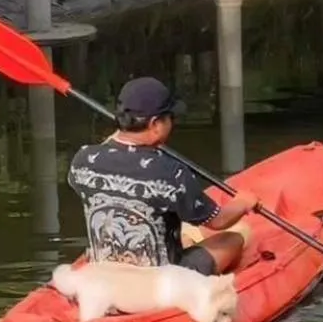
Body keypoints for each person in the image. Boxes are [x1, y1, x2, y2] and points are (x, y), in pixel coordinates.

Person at [67, 76, 258, 275]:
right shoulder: (171, 172)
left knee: (183, 232)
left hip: (108, 275)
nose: (172, 124)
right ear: (155, 123)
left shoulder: (82, 160)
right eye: (170, 118)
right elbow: (217, 221)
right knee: (234, 238)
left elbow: (109, 155)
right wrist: (243, 203)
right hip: (162, 284)